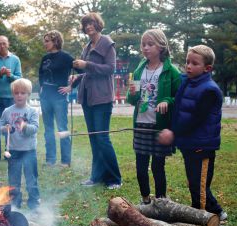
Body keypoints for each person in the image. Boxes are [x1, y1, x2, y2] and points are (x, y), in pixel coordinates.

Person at [158, 45, 227, 221]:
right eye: (187, 62)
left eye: (194, 63)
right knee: (194, 183)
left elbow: (196, 119)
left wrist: (173, 133)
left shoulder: (210, 90)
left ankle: (202, 218)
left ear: (207, 68)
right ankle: (215, 212)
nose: (188, 66)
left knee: (200, 186)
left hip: (202, 145)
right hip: (189, 144)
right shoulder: (187, 82)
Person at [126, 29, 181, 204]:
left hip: (159, 126)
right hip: (141, 124)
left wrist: (167, 101)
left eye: (150, 44)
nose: (146, 48)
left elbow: (179, 98)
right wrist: (132, 93)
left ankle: (161, 201)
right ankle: (145, 200)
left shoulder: (171, 71)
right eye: (143, 44)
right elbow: (131, 99)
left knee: (158, 167)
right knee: (141, 168)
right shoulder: (138, 70)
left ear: (161, 46)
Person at [72, 12, 122, 190]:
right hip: (87, 97)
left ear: (98, 24)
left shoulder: (107, 44)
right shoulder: (87, 46)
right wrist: (76, 78)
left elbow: (110, 69)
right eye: (85, 24)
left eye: (91, 23)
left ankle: (115, 178)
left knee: (102, 138)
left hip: (102, 97)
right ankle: (96, 176)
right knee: (94, 139)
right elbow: (87, 72)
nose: (88, 27)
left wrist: (86, 65)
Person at [0, 78, 40, 210]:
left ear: (28, 94)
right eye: (16, 93)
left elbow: (35, 128)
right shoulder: (7, 111)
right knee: (14, 180)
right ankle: (15, 204)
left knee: (31, 179)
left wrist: (25, 126)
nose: (19, 95)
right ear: (13, 94)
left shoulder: (32, 111)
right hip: (13, 151)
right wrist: (5, 128)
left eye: (23, 93)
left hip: (29, 150)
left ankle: (34, 204)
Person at [39, 30, 75, 167]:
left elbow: (82, 72)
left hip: (59, 98)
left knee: (62, 128)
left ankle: (65, 160)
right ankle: (50, 159)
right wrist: (42, 87)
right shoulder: (44, 58)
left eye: (47, 40)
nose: (45, 43)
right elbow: (41, 75)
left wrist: (71, 86)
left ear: (56, 41)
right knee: (48, 130)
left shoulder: (66, 57)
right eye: (45, 40)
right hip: (45, 98)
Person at [0, 35, 22, 163]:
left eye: (4, 43)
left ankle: (9, 154)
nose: (2, 46)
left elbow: (19, 79)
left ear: (8, 44)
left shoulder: (15, 59)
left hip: (11, 97)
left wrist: (10, 75)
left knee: (10, 127)